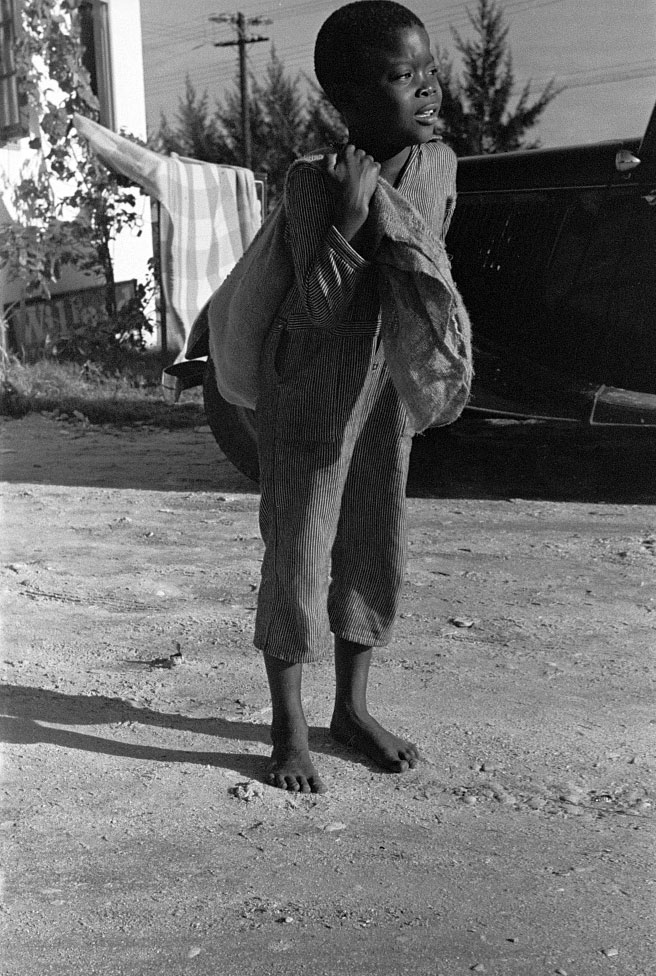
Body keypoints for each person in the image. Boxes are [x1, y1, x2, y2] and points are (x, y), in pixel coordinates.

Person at [254, 0, 459, 793]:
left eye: (431, 71)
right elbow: (310, 311)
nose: (429, 90)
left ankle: (353, 709)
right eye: (406, 78)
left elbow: (433, 266)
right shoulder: (314, 183)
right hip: (309, 389)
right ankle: (289, 728)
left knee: (374, 544)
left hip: (383, 393)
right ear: (347, 104)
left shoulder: (439, 167)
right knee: (301, 555)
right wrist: (352, 218)